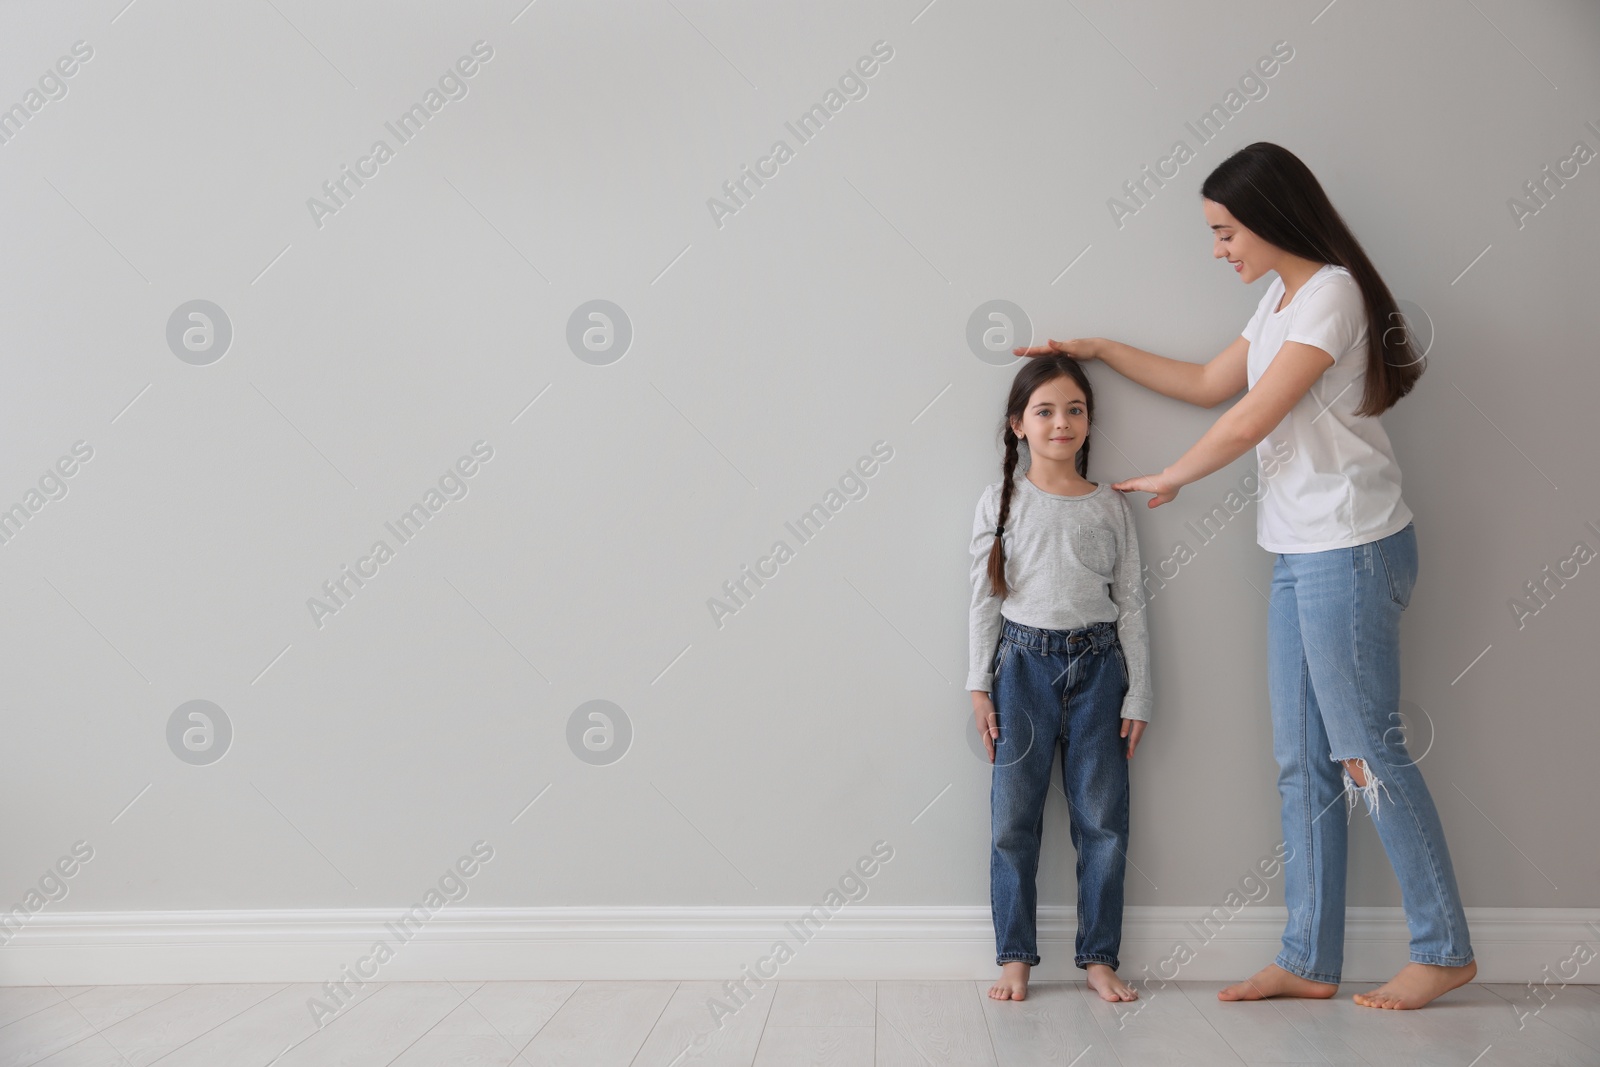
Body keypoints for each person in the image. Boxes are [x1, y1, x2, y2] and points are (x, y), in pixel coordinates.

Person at [1018, 141, 1475, 1010]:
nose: (1219, 249)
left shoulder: (1332, 295)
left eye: (1225, 232)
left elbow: (1252, 415)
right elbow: (1203, 383)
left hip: (1352, 544)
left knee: (1364, 751)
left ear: (1269, 217)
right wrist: (1101, 349)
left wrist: (1173, 475)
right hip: (1300, 552)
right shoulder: (1281, 300)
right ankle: (1308, 957)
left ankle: (1444, 945)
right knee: (1302, 763)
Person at [967, 354, 1153, 1003]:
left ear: (1089, 421)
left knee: (1102, 820)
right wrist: (977, 684)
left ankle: (1098, 956)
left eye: (1074, 408)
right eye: (1044, 410)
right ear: (1019, 424)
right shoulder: (1000, 501)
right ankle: (1015, 957)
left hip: (1100, 670)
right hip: (1019, 669)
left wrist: (1141, 691)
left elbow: (1131, 600)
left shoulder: (1109, 505)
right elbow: (983, 599)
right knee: (1011, 820)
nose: (1060, 422)